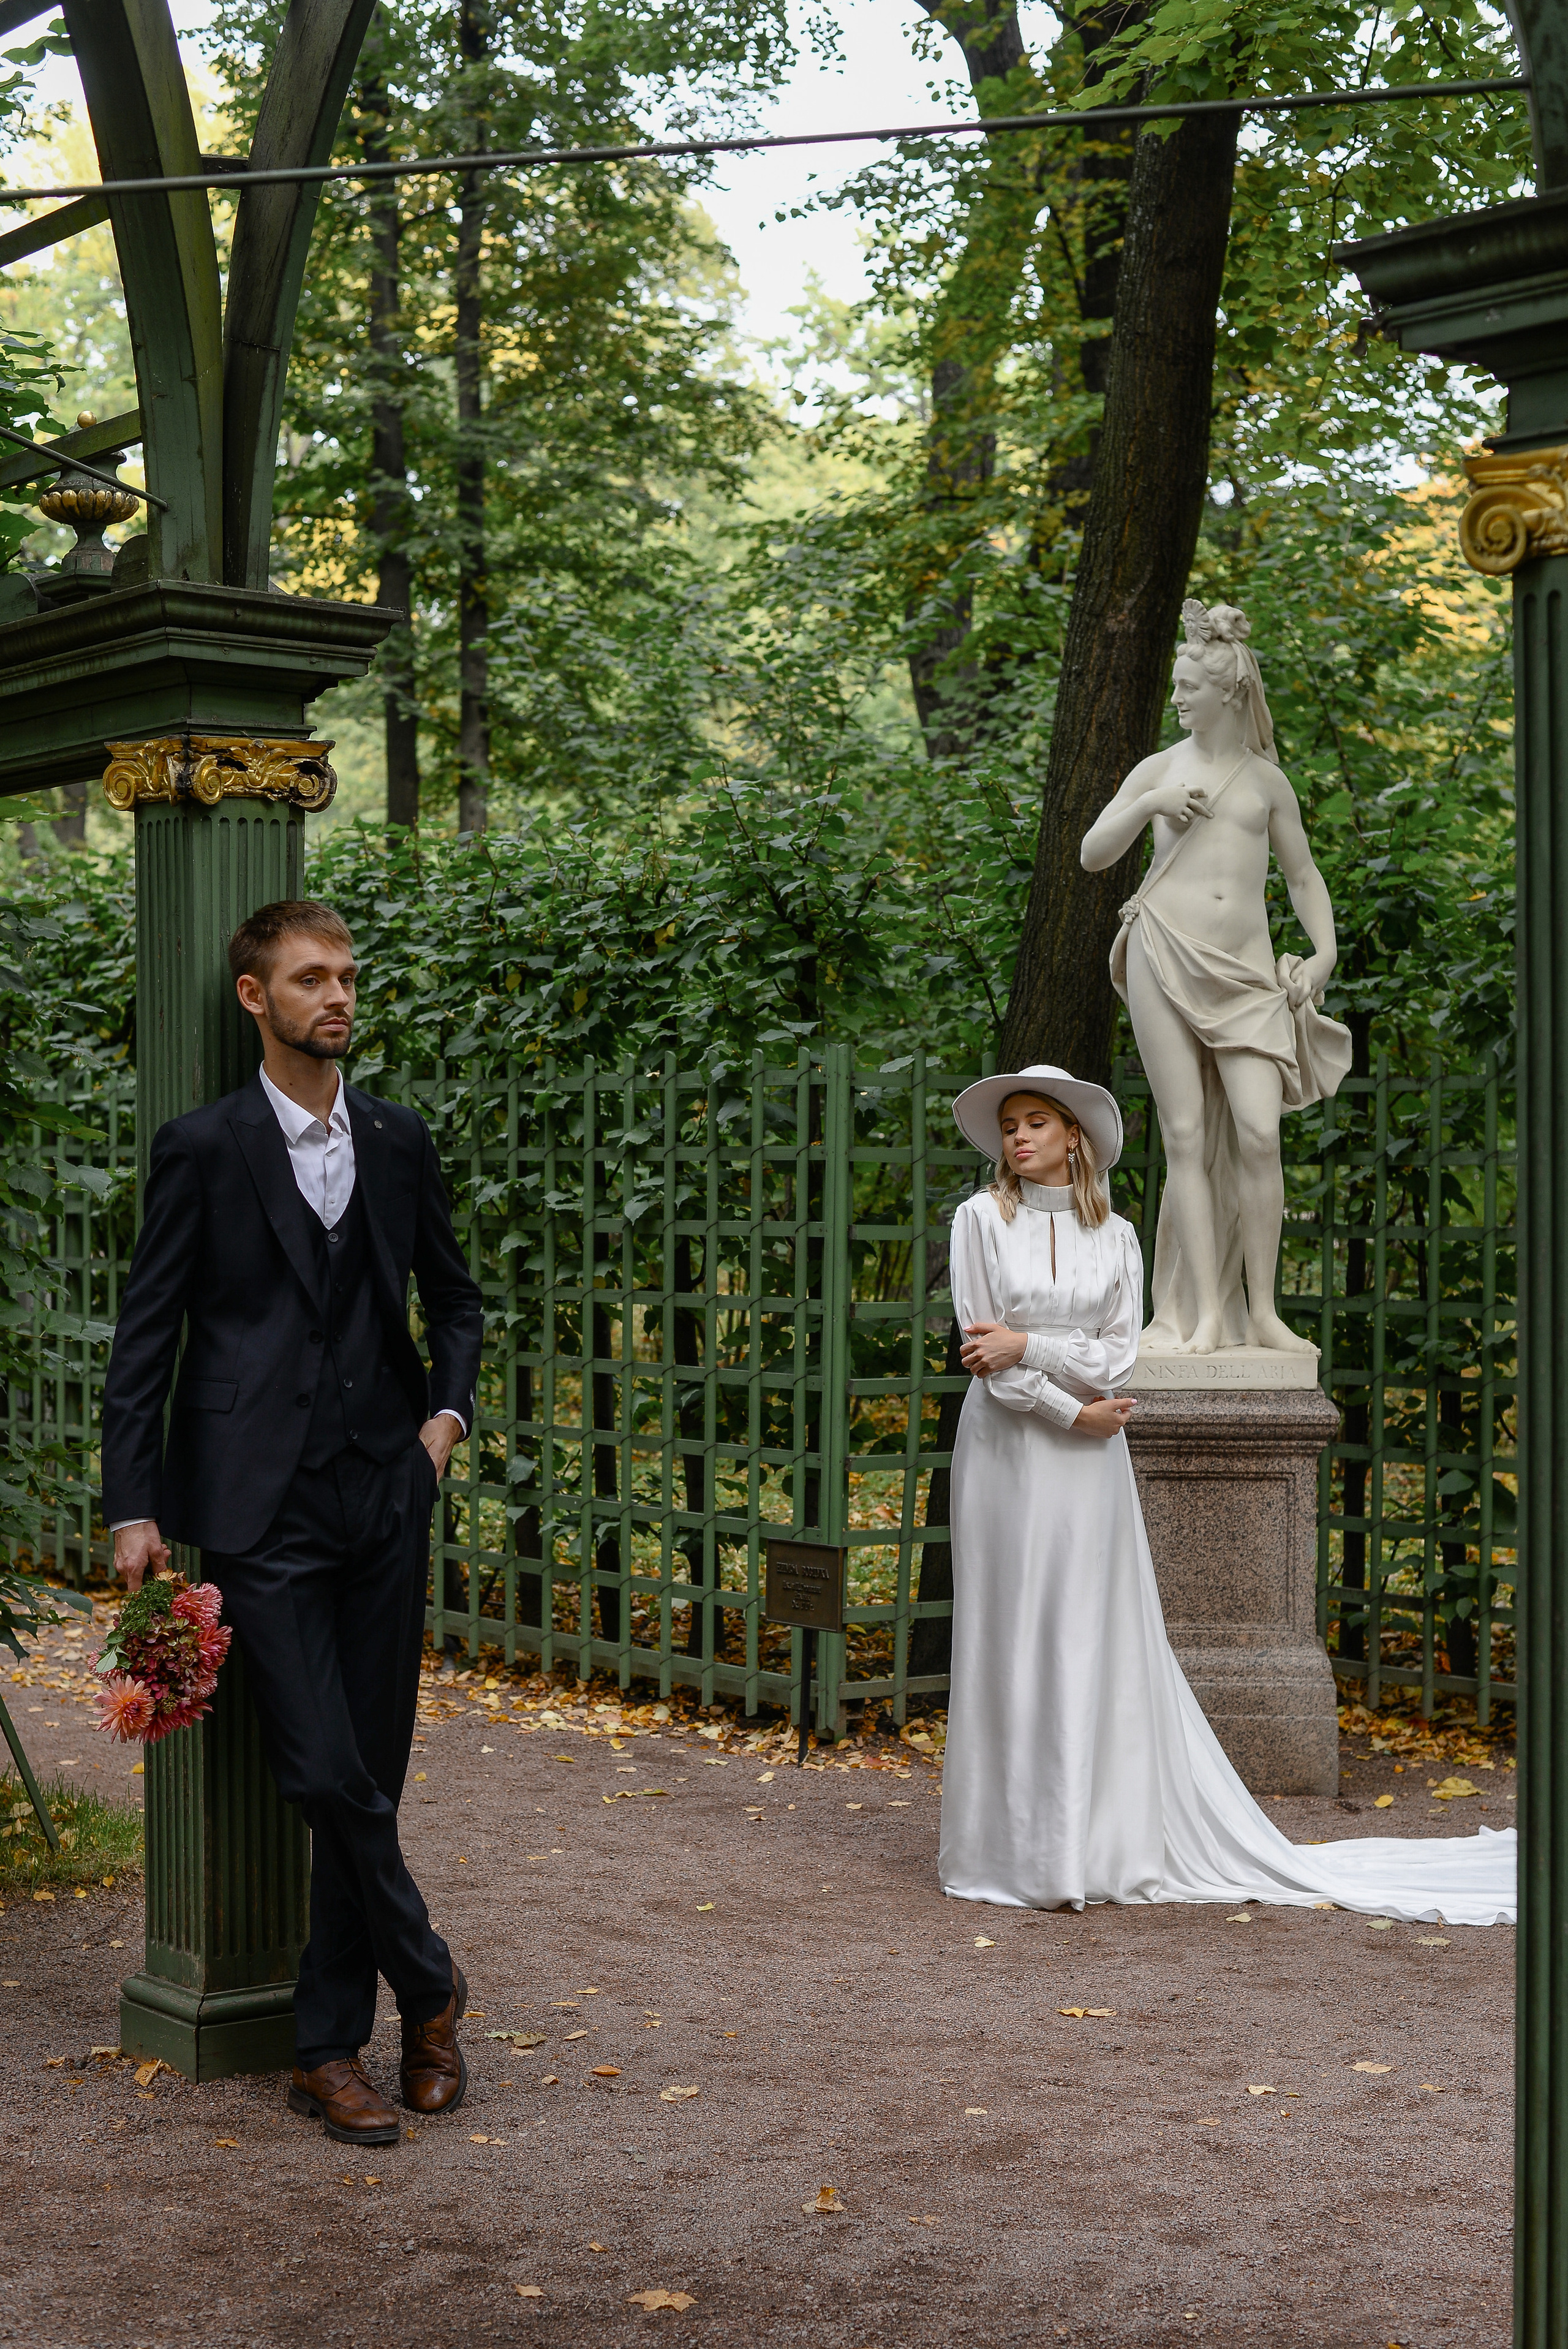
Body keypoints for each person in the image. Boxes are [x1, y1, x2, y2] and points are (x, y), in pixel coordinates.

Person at [936, 1064, 1514, 1925]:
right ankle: (1010, 1848)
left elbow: (1118, 1354)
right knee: (1009, 1628)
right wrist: (1069, 1405)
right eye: (1010, 1125)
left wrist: (1036, 1348)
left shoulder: (1117, 1236)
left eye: (1036, 1122)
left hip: (1091, 1460)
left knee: (1085, 1628)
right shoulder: (980, 1220)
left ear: (1074, 1137)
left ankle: (1092, 1843)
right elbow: (985, 1354)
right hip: (1011, 1450)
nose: (1018, 1136)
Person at [101, 900, 484, 2144]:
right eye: (311, 978)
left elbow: (455, 1299)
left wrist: (443, 1424)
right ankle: (427, 1979)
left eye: (348, 977)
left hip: (384, 1489)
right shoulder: (203, 1148)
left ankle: (329, 2048)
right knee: (321, 1769)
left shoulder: (398, 1137)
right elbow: (147, 1334)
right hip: (255, 1503)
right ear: (254, 997)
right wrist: (133, 1503)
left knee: (368, 1775)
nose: (338, 997)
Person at [1080, 600, 1351, 1355]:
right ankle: (1201, 1315)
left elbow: (1302, 876)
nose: (1175, 698)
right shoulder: (1159, 769)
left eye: (1188, 687)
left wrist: (1323, 953)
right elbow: (1092, 853)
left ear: (1229, 692)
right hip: (1162, 952)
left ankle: (1260, 1311)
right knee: (1186, 1135)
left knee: (1260, 1135)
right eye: (1175, 686)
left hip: (1249, 974)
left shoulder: (1267, 781)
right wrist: (1151, 803)